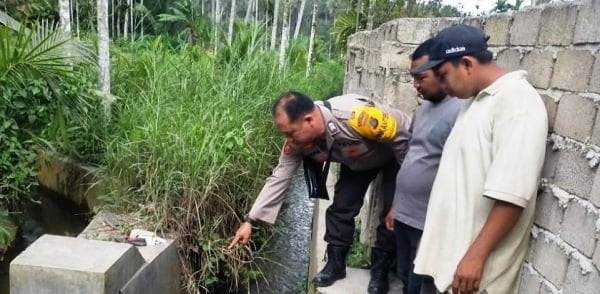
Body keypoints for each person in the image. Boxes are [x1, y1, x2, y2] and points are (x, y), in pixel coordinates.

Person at [228, 91, 411, 294]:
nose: (288, 140)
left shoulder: (356, 117)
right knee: (341, 207)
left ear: (309, 120)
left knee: (391, 214)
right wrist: (250, 220)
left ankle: (381, 270)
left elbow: (405, 141)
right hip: (356, 162)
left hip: (395, 156)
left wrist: (402, 198)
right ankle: (336, 264)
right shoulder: (298, 140)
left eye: (290, 133)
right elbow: (279, 177)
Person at [411, 24, 548, 294]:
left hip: (472, 277)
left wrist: (475, 257)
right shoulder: (474, 102)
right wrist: (432, 240)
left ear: (467, 64)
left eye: (443, 75)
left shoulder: (517, 102)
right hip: (446, 267)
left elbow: (511, 194)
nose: (441, 85)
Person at [384, 38, 463, 294]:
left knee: (422, 285)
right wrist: (396, 206)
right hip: (405, 215)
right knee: (406, 277)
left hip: (427, 222)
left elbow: (456, 175)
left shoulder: (461, 111)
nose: (417, 85)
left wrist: (433, 230)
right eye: (413, 78)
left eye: (422, 77)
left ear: (442, 70)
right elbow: (411, 157)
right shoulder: (423, 110)